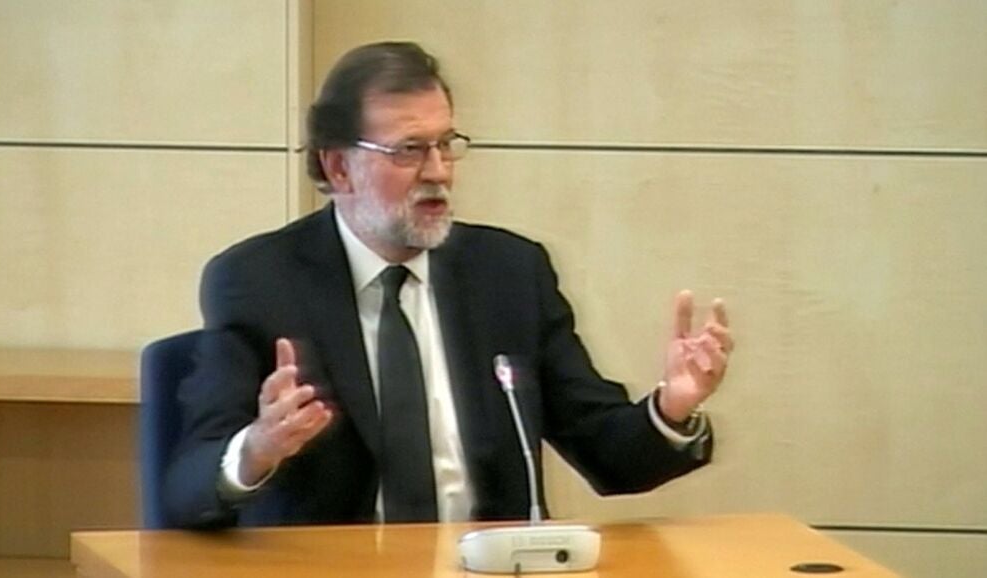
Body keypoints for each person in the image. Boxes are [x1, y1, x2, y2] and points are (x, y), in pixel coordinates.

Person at [163, 41, 732, 528]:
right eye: (409, 150)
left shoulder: (509, 273)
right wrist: (257, 450)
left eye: (446, 144)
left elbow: (605, 453)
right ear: (338, 167)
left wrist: (671, 407)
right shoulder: (259, 281)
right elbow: (186, 487)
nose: (438, 171)